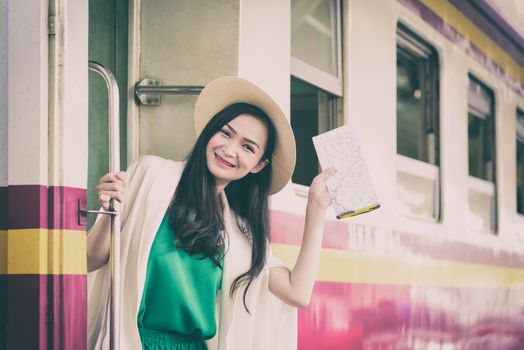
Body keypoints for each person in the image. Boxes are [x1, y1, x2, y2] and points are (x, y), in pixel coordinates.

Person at [87, 76, 336, 349]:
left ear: (258, 165)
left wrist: (316, 209)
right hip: (132, 341)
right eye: (226, 133)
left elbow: (297, 292)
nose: (229, 150)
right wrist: (109, 211)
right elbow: (90, 259)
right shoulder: (149, 174)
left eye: (247, 147)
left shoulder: (240, 233)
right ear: (210, 131)